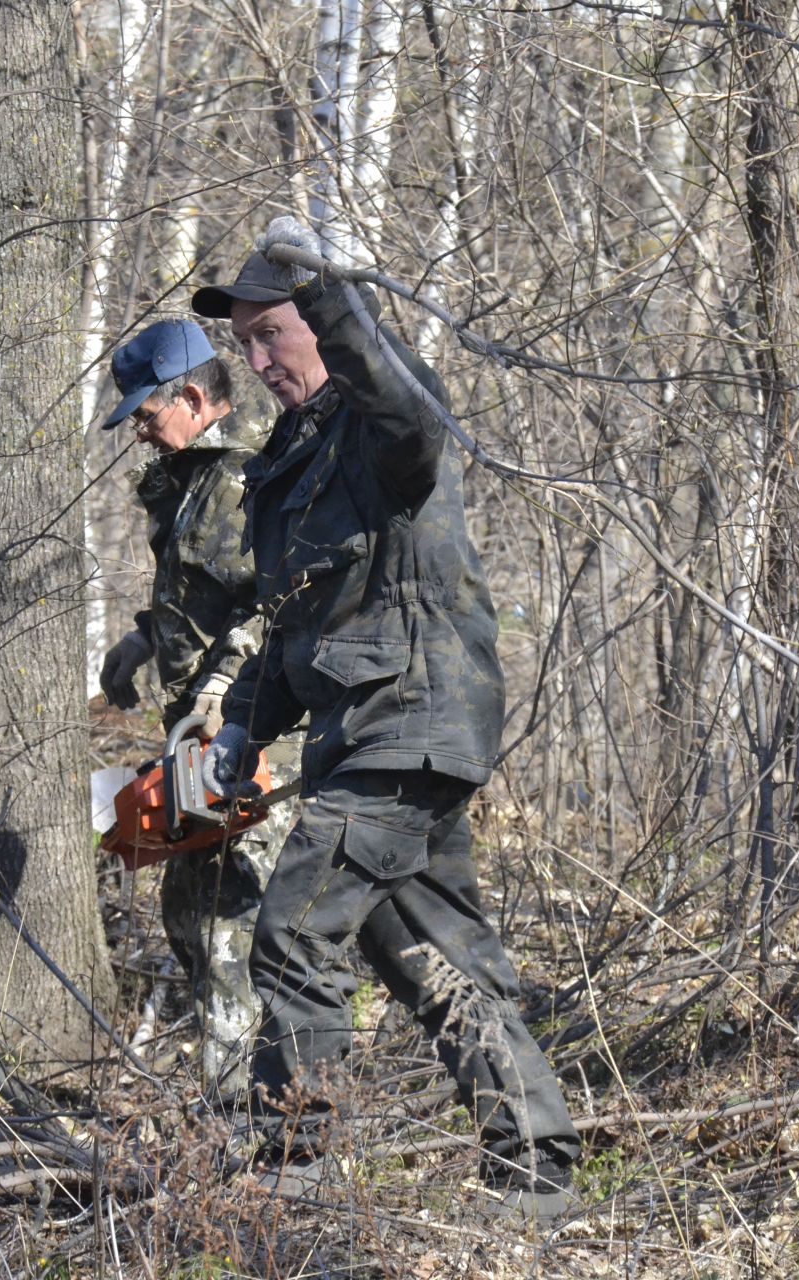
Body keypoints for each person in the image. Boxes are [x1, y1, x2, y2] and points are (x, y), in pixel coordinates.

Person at [189, 219, 582, 1221]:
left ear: (324, 325)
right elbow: (291, 626)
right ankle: (534, 1168)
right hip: (364, 736)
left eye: (274, 332)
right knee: (433, 954)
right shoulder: (293, 467)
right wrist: (239, 727)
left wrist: (329, 290)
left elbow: (407, 405)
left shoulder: (382, 433)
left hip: (409, 721)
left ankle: (301, 1168)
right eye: (246, 343)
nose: (261, 359)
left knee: (292, 928)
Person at [97, 317, 276, 1097]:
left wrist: (219, 690)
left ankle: (254, 1115)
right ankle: (241, 1101)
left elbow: (275, 599)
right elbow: (198, 595)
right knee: (192, 919)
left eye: (146, 413)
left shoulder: (250, 472)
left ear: (195, 398)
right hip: (202, 738)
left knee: (227, 926)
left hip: (260, 732)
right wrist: (141, 643)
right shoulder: (189, 481)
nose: (139, 432)